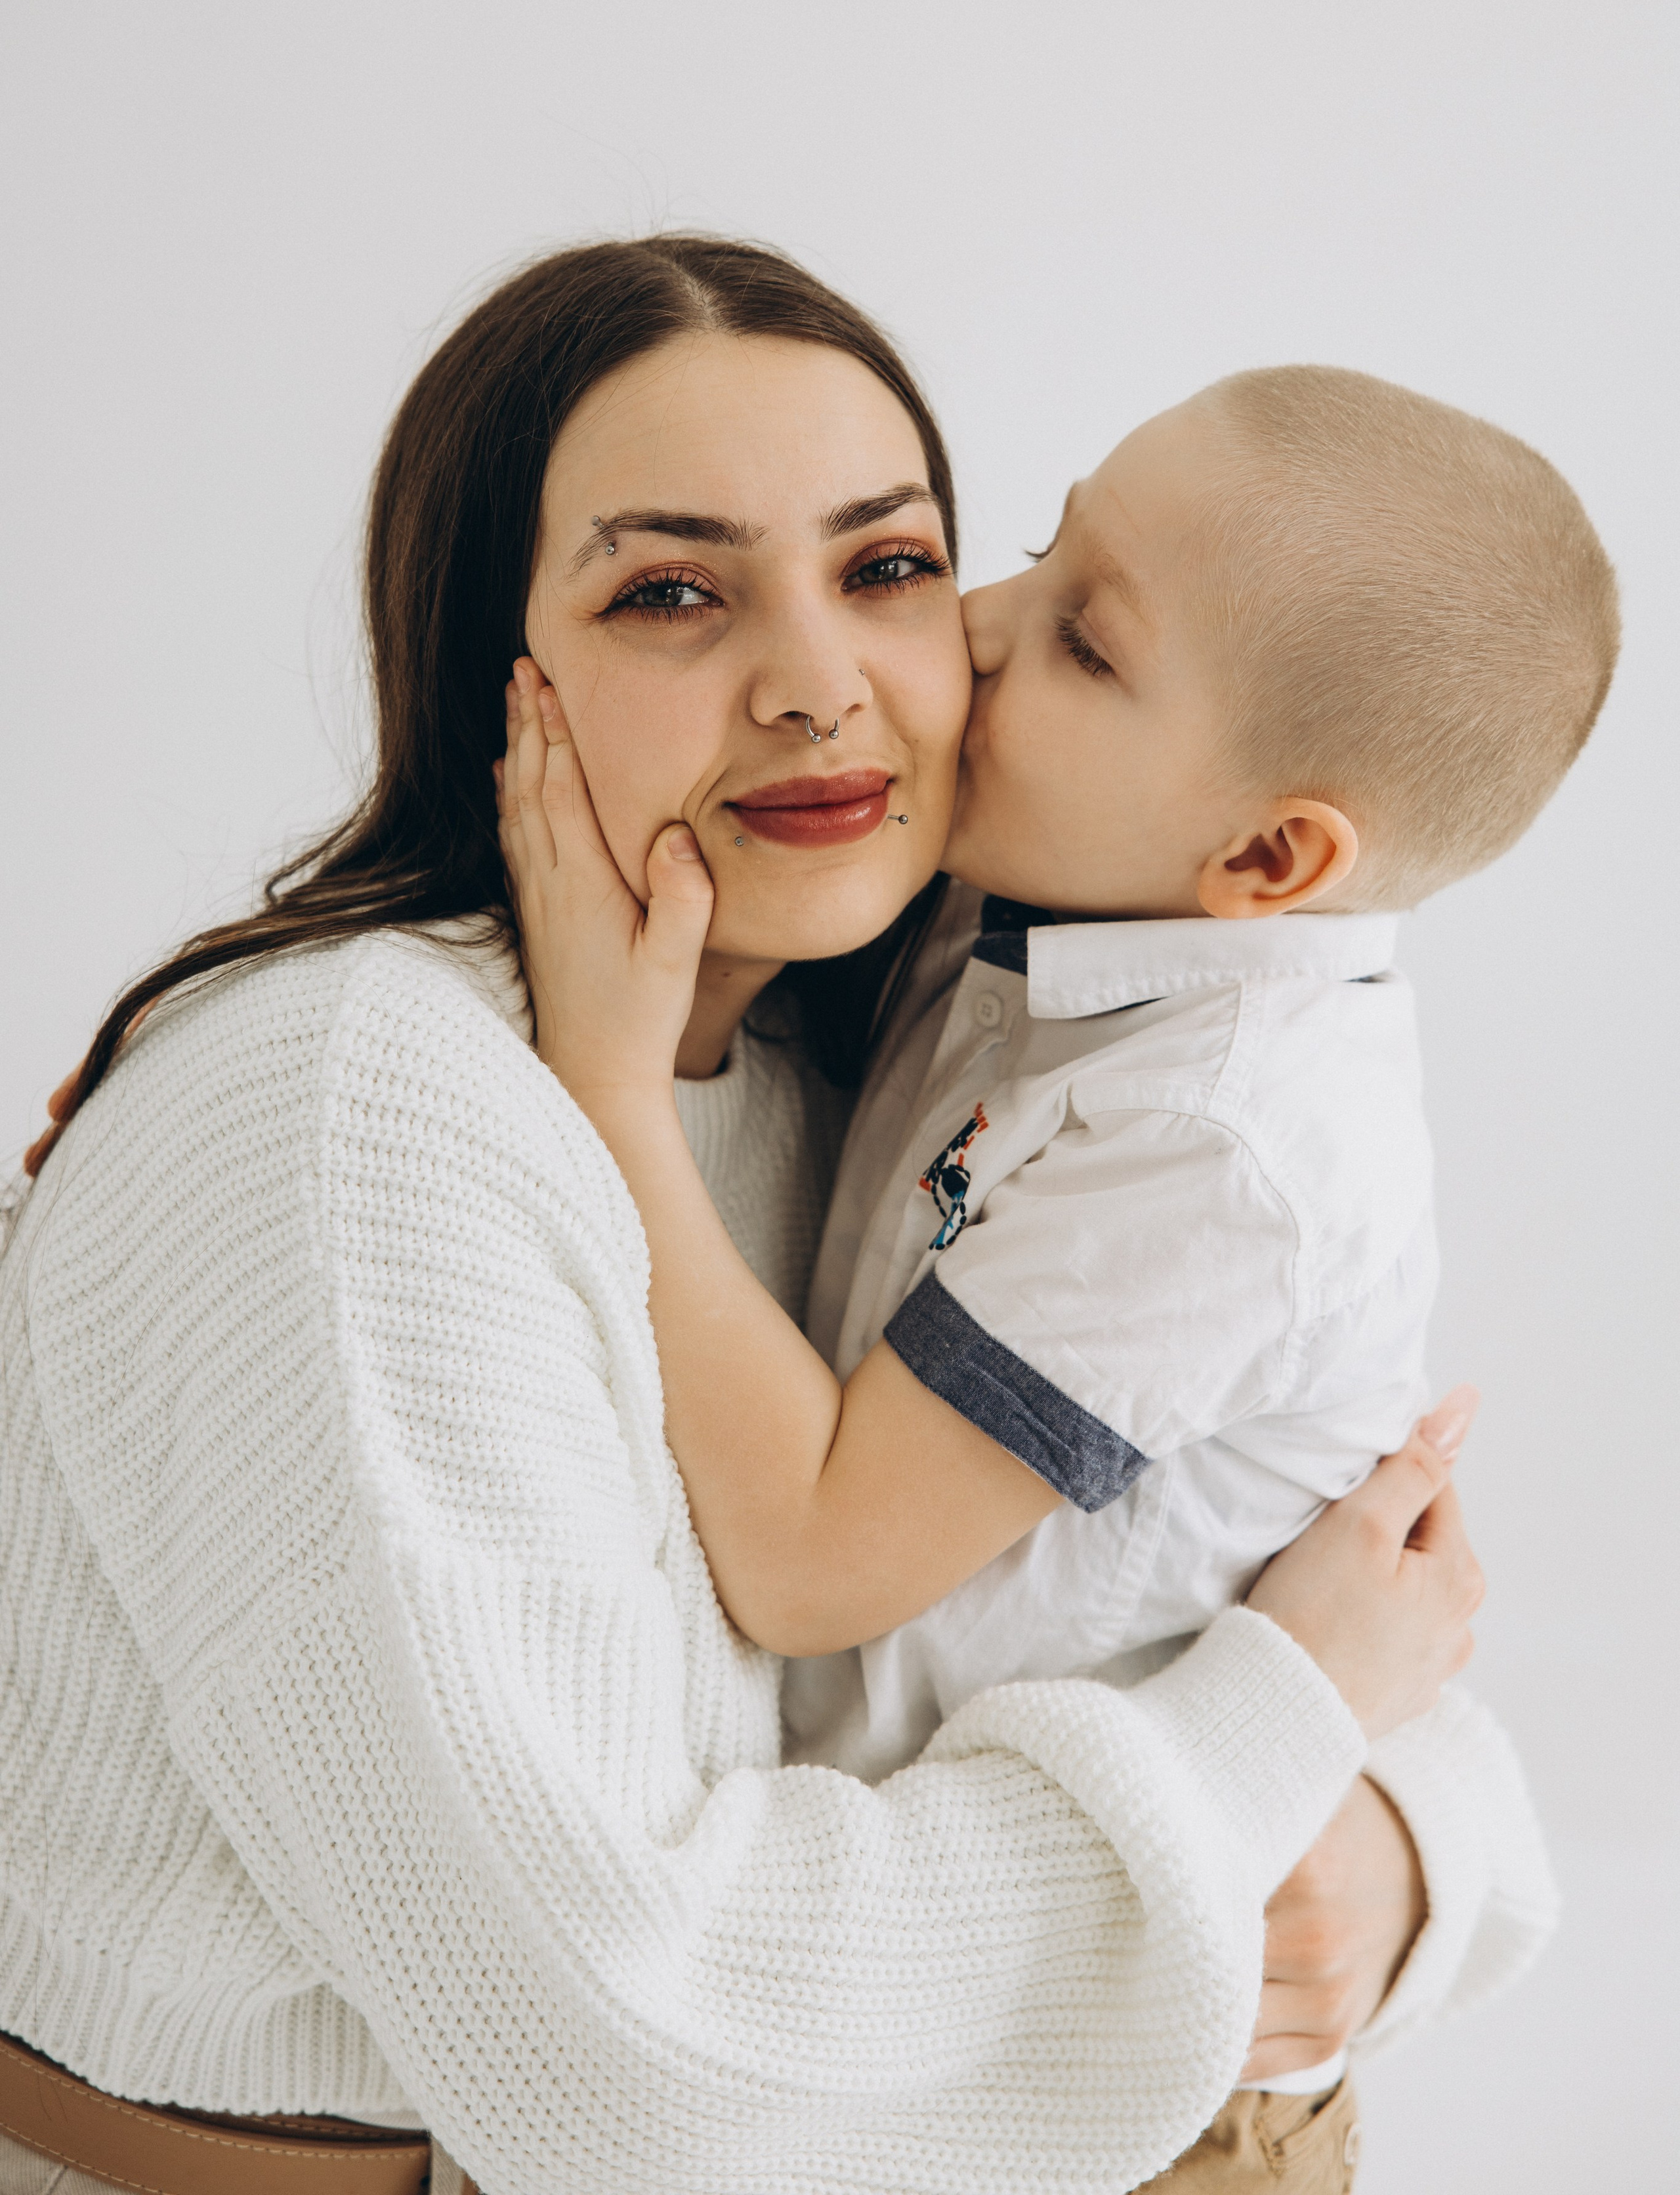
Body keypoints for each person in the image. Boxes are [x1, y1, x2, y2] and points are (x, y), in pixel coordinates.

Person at [1, 238, 1524, 2195]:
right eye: (670, 593)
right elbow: (634, 2061)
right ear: (502, 672)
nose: (829, 685)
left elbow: (1199, 1548)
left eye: (888, 565)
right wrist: (1260, 1749)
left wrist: (1408, 1845)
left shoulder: (872, 1049)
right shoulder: (362, 1111)